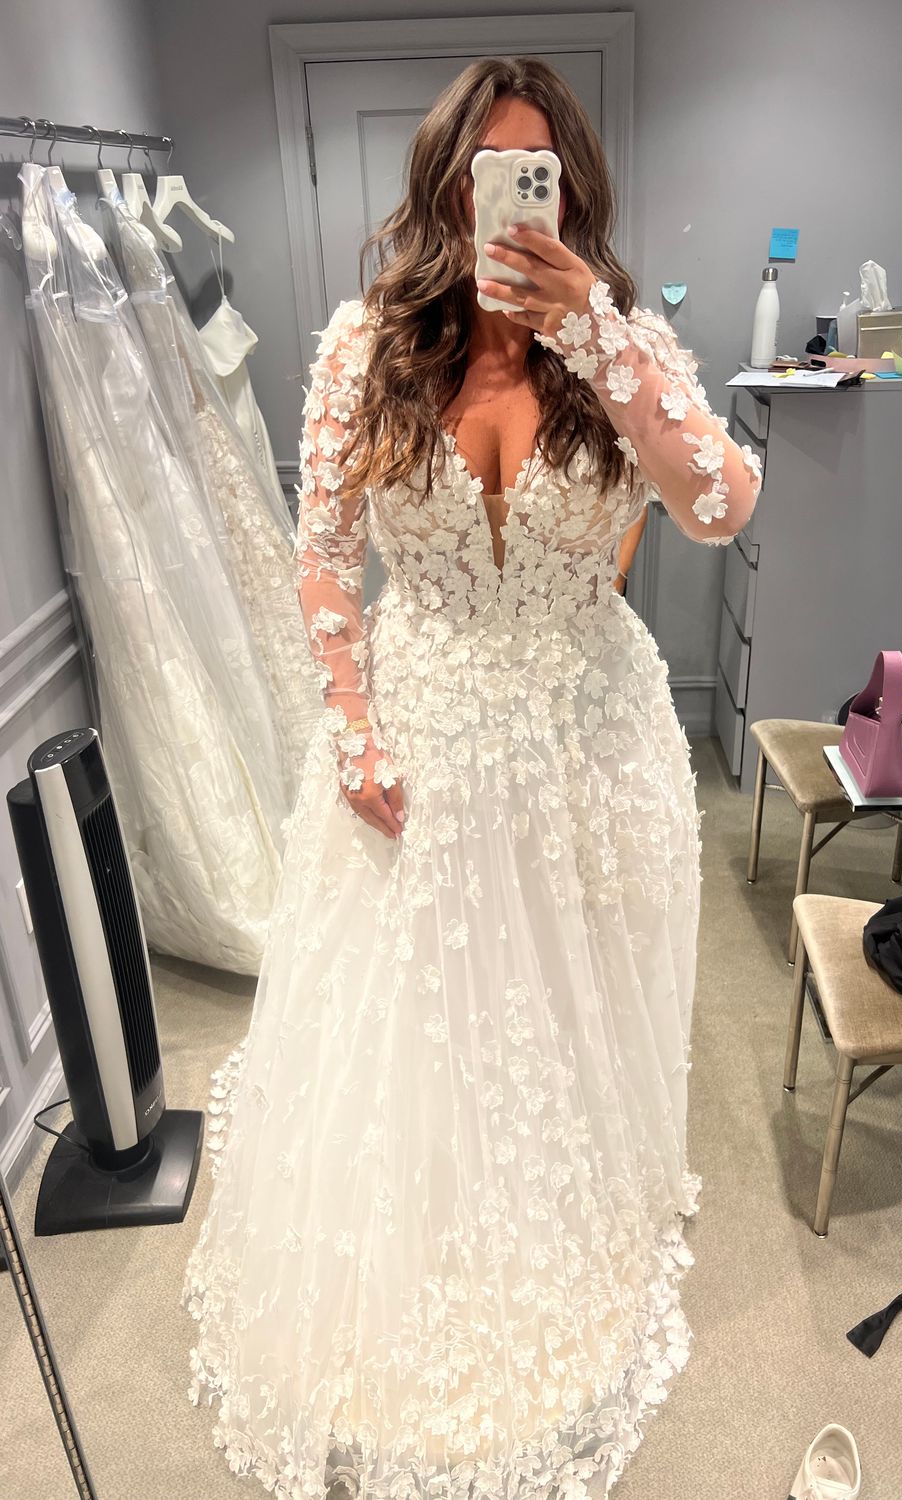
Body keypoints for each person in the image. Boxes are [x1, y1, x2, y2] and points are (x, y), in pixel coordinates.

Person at [182, 54, 761, 1500]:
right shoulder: (367, 347)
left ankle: (571, 1229)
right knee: (425, 1021)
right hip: (425, 730)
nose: (504, 203)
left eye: (533, 176)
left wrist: (599, 334)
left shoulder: (617, 338)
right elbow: (323, 555)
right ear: (445, 188)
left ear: (569, 190)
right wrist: (353, 729)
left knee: (572, 1004)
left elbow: (718, 505)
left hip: (589, 734)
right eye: (482, 175)